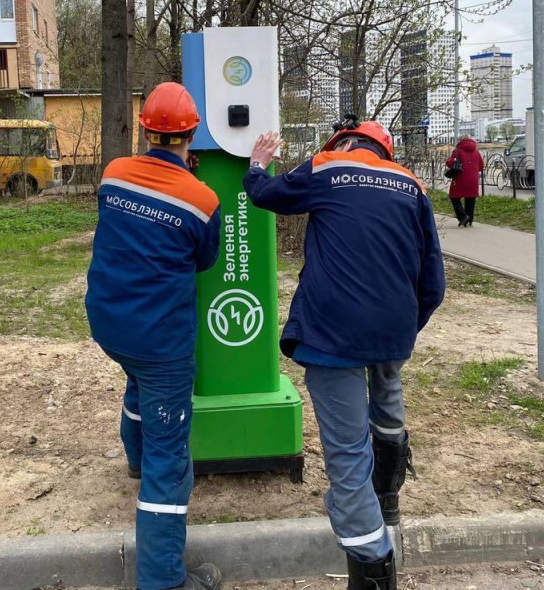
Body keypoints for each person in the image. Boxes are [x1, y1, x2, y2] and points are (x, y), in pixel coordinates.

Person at [243, 118, 445, 590]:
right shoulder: (412, 186)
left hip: (334, 332)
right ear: (385, 151)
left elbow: (267, 196)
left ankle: (373, 564)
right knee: (388, 399)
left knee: (348, 453)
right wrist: (401, 330)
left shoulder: (329, 165)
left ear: (344, 143)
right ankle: (388, 495)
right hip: (393, 324)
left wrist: (256, 166)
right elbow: (433, 279)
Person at [85, 82, 223, 590]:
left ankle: (135, 459)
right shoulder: (202, 200)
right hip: (160, 338)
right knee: (172, 459)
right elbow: (205, 259)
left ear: (145, 129)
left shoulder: (113, 175)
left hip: (109, 323)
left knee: (138, 384)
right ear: (193, 133)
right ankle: (163, 580)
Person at [445, 135, 484, 228]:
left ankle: (463, 216)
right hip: (473, 179)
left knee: (454, 197)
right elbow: (481, 166)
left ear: (460, 140)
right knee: (470, 198)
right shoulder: (477, 152)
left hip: (460, 178)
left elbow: (450, 163)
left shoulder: (457, 151)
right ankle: (469, 219)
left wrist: (449, 160)